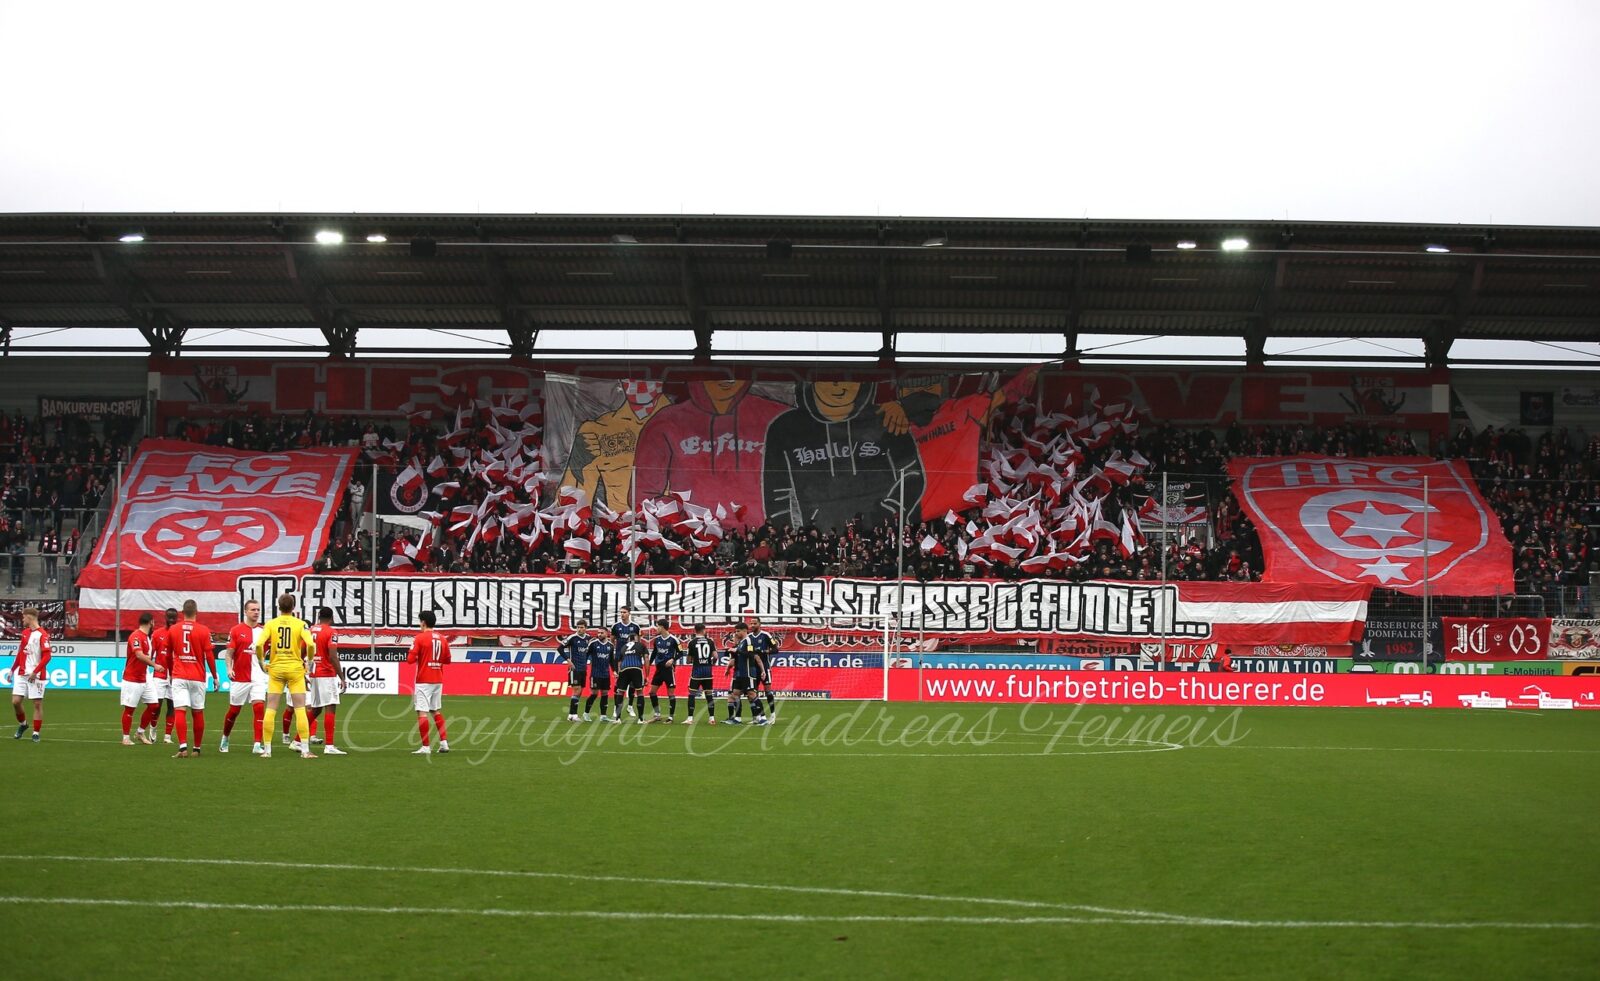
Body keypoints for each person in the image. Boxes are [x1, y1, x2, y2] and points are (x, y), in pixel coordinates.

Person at [255, 593, 317, 760]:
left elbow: (259, 644)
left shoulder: (271, 624)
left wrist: (262, 662)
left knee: (271, 708)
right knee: (300, 709)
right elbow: (311, 644)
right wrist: (309, 662)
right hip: (295, 670)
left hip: (276, 669)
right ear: (293, 607)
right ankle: (304, 750)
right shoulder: (300, 624)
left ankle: (267, 750)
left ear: (279, 606)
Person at [168, 599, 217, 759]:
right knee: (197, 712)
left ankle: (183, 747)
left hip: (179, 675)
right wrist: (215, 676)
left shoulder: (173, 629)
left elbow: (168, 654)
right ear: (196, 612)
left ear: (182, 613)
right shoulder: (203, 630)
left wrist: (170, 672)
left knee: (180, 710)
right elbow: (209, 655)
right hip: (197, 676)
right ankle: (196, 749)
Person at [220, 599, 265, 755]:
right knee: (234, 711)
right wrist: (228, 668)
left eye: (258, 610)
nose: (256, 612)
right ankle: (225, 738)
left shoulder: (264, 631)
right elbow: (229, 653)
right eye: (253, 610)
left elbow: (270, 652)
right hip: (240, 677)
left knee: (259, 707)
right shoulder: (236, 630)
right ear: (245, 612)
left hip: (258, 676)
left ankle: (257, 744)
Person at [407, 610, 450, 755]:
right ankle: (444, 743)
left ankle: (425, 747)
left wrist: (420, 655)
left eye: (420, 622)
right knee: (435, 710)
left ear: (423, 622)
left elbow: (410, 660)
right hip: (438, 678)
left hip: (424, 679)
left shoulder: (419, 638)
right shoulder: (443, 639)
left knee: (422, 712)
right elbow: (447, 660)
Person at [307, 607, 346, 756]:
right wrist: (341, 677)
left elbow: (303, 650)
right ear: (331, 618)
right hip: (326, 673)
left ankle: (297, 740)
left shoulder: (310, 630)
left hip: (314, 672)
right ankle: (329, 746)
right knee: (331, 706)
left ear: (318, 617)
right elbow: (332, 656)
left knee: (316, 709)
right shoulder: (331, 632)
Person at [10, 607, 51, 742]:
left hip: (36, 675)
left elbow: (47, 656)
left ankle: (36, 733)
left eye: (23, 617)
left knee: (37, 704)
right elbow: (21, 653)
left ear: (30, 617)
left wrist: (36, 671)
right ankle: (23, 725)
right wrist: (12, 670)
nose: (22, 619)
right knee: (16, 702)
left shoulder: (42, 635)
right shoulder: (25, 633)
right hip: (22, 673)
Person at [118, 612, 158, 746]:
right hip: (132, 677)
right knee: (130, 709)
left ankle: (140, 732)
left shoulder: (147, 637)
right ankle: (125, 737)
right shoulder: (136, 636)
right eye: (154, 622)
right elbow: (139, 655)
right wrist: (155, 665)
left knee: (154, 705)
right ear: (151, 622)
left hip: (145, 676)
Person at [144, 608, 179, 743]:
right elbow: (151, 655)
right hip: (159, 675)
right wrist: (153, 666)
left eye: (173, 617)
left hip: (175, 675)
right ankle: (153, 729)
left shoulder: (179, 634)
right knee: (156, 705)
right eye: (169, 617)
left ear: (177, 618)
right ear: (165, 618)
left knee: (172, 705)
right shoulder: (158, 634)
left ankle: (167, 736)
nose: (171, 620)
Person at [726, 624, 768, 726]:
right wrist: (733, 652)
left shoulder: (749, 641)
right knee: (735, 694)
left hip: (748, 673)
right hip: (740, 673)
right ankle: (738, 718)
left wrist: (737, 650)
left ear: (744, 631)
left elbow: (751, 654)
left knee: (752, 694)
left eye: (738, 631)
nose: (736, 633)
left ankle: (763, 718)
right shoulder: (741, 643)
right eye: (735, 631)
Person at [646, 618, 682, 722]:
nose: (656, 628)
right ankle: (657, 714)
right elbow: (654, 653)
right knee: (652, 692)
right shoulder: (657, 640)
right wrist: (648, 662)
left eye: (657, 626)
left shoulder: (674, 639)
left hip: (668, 670)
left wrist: (673, 659)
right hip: (659, 670)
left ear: (662, 627)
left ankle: (670, 717)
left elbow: (681, 652)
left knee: (670, 693)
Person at [683, 622, 718, 725]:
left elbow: (688, 661)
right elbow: (716, 656)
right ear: (704, 630)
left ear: (695, 630)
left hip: (697, 672)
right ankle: (712, 718)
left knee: (692, 694)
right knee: (709, 694)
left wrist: (694, 659)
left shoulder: (692, 642)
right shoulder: (710, 641)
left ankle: (690, 718)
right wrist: (712, 663)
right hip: (708, 672)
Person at [745, 616, 780, 720]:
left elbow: (775, 649)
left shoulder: (765, 635)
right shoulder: (749, 637)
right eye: (751, 624)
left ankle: (772, 714)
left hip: (765, 667)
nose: (752, 625)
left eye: (754, 623)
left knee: (768, 691)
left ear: (759, 624)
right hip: (752, 669)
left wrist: (764, 652)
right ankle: (757, 717)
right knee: (752, 693)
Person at [559, 618, 591, 722]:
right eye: (578, 627)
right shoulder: (572, 638)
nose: (579, 629)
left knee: (580, 691)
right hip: (574, 668)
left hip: (583, 668)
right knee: (576, 690)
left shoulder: (588, 638)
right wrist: (568, 660)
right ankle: (574, 714)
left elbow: (589, 651)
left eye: (582, 627)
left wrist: (588, 660)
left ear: (585, 628)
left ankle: (571, 715)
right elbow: (559, 648)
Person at [614, 628, 648, 724]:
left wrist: (619, 672)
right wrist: (647, 675)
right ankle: (641, 719)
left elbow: (619, 661)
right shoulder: (641, 645)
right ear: (636, 638)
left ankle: (618, 719)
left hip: (624, 669)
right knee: (640, 692)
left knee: (620, 693)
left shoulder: (624, 647)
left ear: (628, 639)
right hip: (636, 668)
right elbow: (646, 658)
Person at [584, 628, 615, 722]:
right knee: (594, 693)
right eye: (598, 633)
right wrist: (583, 666)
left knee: (605, 693)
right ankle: (586, 713)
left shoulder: (610, 645)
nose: (599, 634)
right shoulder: (593, 644)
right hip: (595, 673)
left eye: (602, 633)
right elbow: (585, 655)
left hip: (606, 674)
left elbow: (611, 660)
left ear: (607, 634)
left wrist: (614, 671)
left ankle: (603, 716)